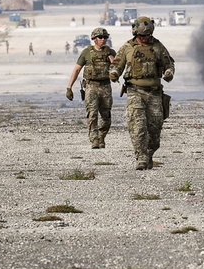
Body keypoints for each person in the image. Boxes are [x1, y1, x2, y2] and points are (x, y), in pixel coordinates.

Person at [109, 17, 174, 170]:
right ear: (135, 33)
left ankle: (149, 152)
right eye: (142, 36)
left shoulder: (158, 46)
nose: (145, 38)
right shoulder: (127, 47)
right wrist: (114, 73)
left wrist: (169, 73)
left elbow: (168, 64)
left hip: (154, 93)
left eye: (148, 35)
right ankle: (141, 157)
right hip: (135, 91)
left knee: (155, 128)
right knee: (137, 126)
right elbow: (117, 64)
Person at [66, 27, 116, 148]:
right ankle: (94, 139)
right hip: (91, 86)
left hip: (105, 86)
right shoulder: (87, 52)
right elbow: (77, 69)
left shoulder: (110, 52)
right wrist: (69, 87)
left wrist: (110, 57)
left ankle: (101, 136)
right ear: (94, 39)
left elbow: (116, 68)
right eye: (100, 37)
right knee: (92, 114)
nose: (103, 40)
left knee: (106, 115)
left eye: (105, 37)